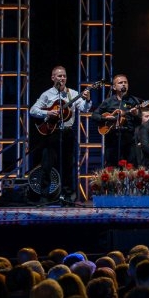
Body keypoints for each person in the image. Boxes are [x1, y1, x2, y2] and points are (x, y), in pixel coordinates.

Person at [28, 66, 93, 204]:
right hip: (52, 133)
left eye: (64, 76)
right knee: (47, 165)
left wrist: (87, 100)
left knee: (68, 165)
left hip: (68, 133)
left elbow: (85, 108)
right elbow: (33, 110)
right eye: (59, 76)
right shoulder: (47, 94)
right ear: (53, 78)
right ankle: (44, 196)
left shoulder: (73, 93)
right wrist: (47, 113)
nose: (62, 78)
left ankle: (68, 196)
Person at [92, 74, 142, 167]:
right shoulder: (108, 101)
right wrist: (105, 118)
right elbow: (94, 115)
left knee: (131, 167)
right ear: (114, 87)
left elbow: (140, 120)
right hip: (112, 139)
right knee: (112, 168)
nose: (123, 84)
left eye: (125, 82)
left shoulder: (134, 101)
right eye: (120, 83)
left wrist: (136, 114)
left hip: (129, 139)